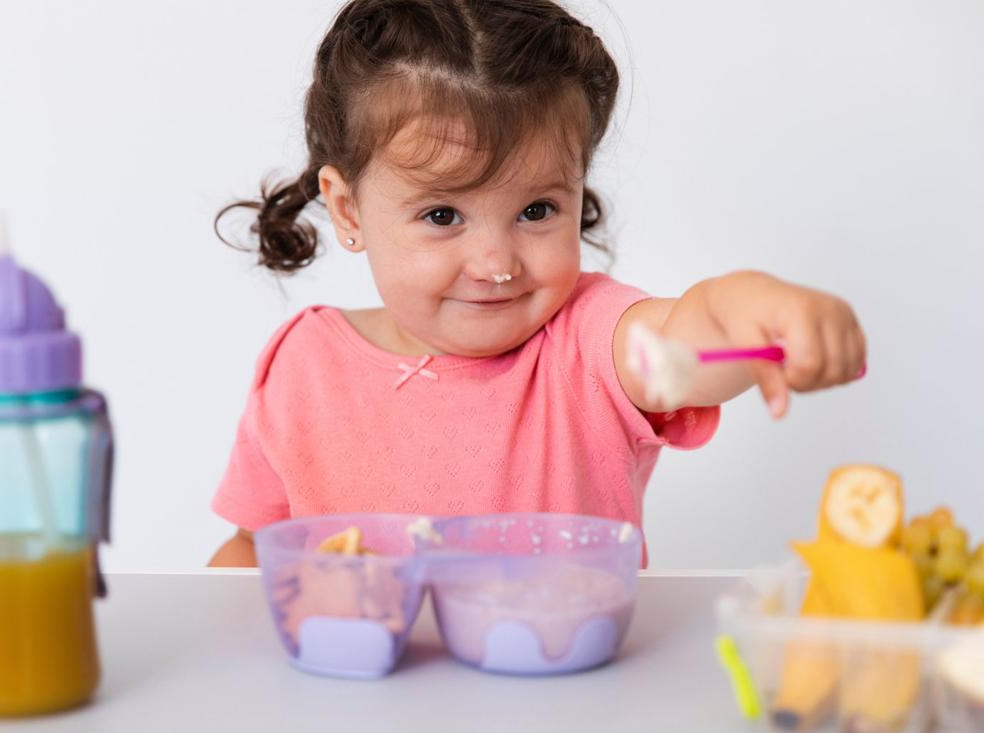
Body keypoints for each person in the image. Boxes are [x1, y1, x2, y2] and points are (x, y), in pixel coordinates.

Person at [208, 0, 865, 567]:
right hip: (350, 707)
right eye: (442, 215)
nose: (498, 264)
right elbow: (251, 546)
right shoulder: (303, 366)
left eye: (536, 211)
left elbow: (686, 340)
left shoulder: (588, 341)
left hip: (572, 708)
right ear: (349, 211)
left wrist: (753, 306)